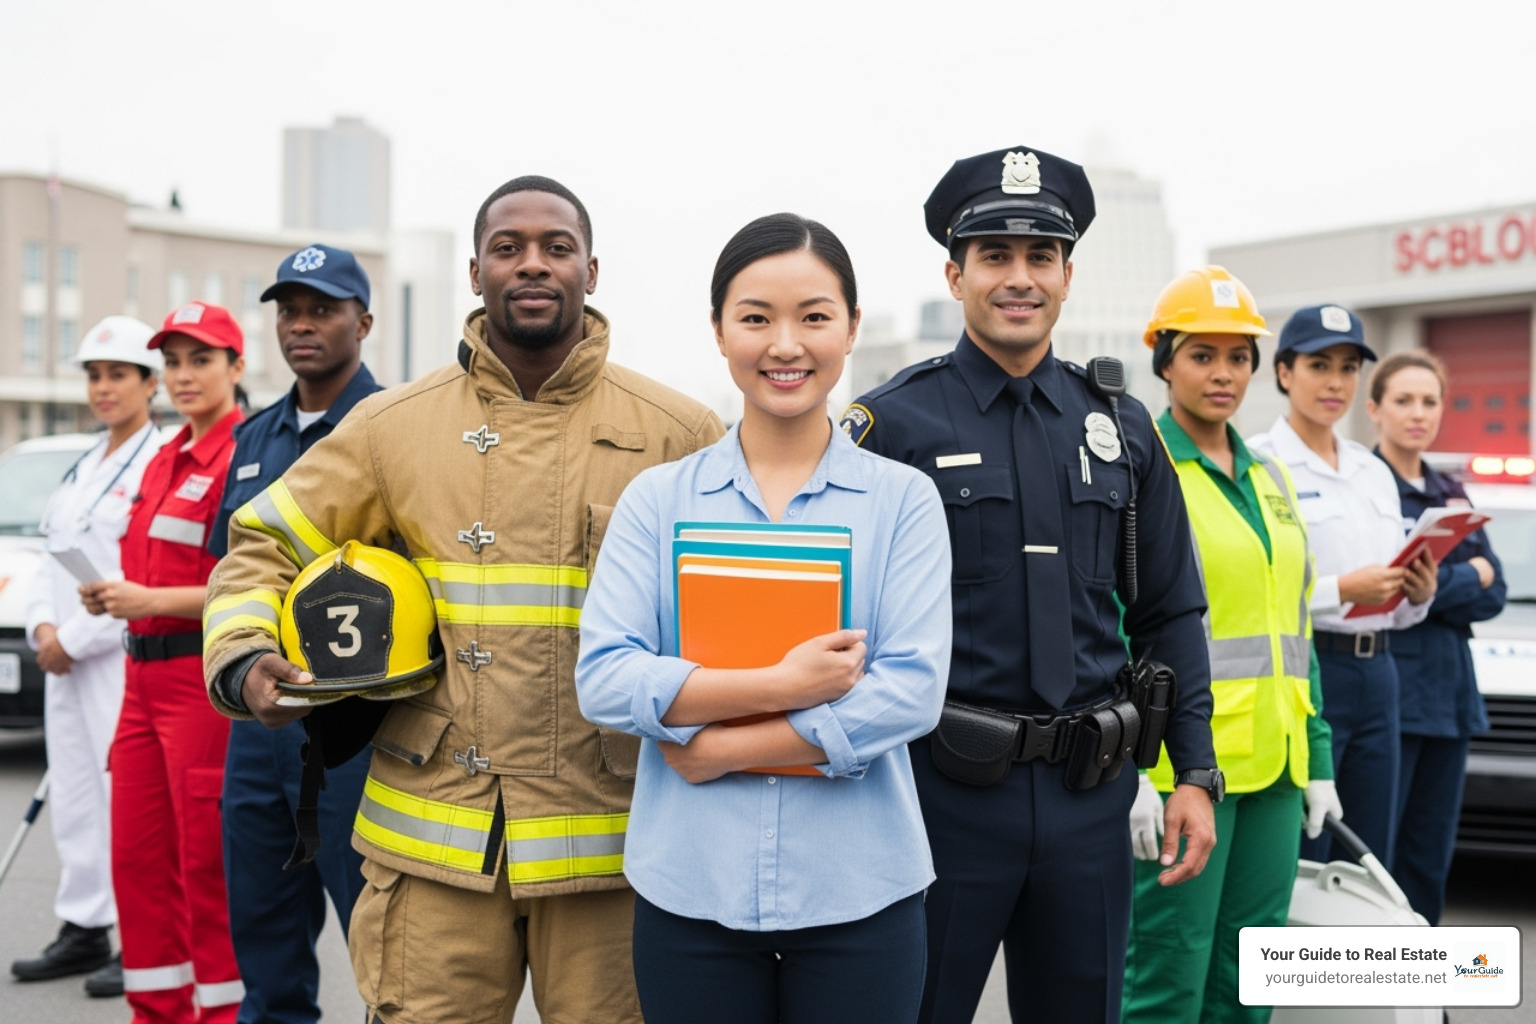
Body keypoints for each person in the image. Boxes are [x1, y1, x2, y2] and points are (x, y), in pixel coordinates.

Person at [200, 176, 723, 1024]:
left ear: (592, 269)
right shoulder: (388, 427)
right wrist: (246, 656)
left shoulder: (681, 434)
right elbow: (261, 544)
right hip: (431, 847)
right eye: (508, 248)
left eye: (556, 248)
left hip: (613, 848)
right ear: (475, 271)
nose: (532, 264)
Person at [843, 145, 1218, 1024]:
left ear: (1067, 273)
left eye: (1040, 257)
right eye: (996, 256)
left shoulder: (1121, 425)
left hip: (1092, 802)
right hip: (939, 797)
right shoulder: (890, 425)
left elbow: (1170, 608)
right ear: (956, 272)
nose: (1020, 277)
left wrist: (1195, 772)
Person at [576, 213, 950, 1024]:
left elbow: (910, 694)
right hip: (690, 893)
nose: (786, 344)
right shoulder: (659, 502)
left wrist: (720, 749)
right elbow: (604, 678)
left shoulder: (903, 502)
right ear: (718, 331)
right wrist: (781, 684)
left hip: (863, 897)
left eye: (814, 316)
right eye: (755, 318)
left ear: (852, 328)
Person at [1121, 267, 1342, 1023]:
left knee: (1254, 970)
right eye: (1202, 355)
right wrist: (1134, 771)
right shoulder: (1142, 471)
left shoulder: (1268, 476)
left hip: (1277, 768)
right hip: (1187, 769)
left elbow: (1295, 633)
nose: (1223, 374)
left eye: (1238, 356)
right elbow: (1119, 628)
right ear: (1164, 362)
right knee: (1169, 970)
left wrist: (1318, 761)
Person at [206, 243, 381, 1024]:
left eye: (323, 309)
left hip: (354, 727)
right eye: (289, 311)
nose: (301, 325)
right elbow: (231, 568)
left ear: (364, 322)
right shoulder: (255, 436)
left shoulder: (390, 431)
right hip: (259, 725)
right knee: (266, 948)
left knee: (388, 958)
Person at [80, 301, 247, 1024]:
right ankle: (156, 1012)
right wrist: (117, 598)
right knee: (139, 864)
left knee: (205, 868)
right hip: (139, 681)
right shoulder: (164, 458)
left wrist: (149, 596)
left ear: (237, 369)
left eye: (200, 360)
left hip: (197, 681)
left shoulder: (247, 454)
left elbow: (250, 581)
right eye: (173, 361)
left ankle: (221, 1015)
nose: (182, 375)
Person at [1248, 305, 1437, 867]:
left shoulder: (1371, 470)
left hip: (1380, 673)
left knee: (1369, 854)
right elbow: (1254, 590)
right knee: (1304, 853)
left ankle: (1356, 961)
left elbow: (1393, 605)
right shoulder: (1259, 463)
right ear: (1284, 373)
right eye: (1320, 365)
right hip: (1307, 671)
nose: (1336, 382)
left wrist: (1417, 594)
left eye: (1349, 367)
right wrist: (1342, 590)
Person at [13, 317, 165, 999]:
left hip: (113, 655)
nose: (103, 388)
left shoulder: (157, 462)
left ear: (149, 383)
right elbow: (52, 557)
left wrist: (68, 641)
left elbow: (136, 570)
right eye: (95, 375)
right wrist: (42, 626)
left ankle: (142, 938)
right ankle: (83, 924)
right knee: (74, 791)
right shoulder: (85, 463)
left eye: (118, 375)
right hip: (64, 654)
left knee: (124, 800)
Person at [1367, 351, 1505, 923]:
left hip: (1450, 701)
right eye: (1403, 400)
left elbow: (1497, 592)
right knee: (1377, 864)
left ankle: (1417, 996)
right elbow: (1384, 588)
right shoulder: (1367, 489)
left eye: (1429, 401)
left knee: (1428, 862)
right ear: (1374, 410)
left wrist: (1432, 587)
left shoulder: (1453, 494)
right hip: (1392, 699)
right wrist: (1463, 576)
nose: (1417, 413)